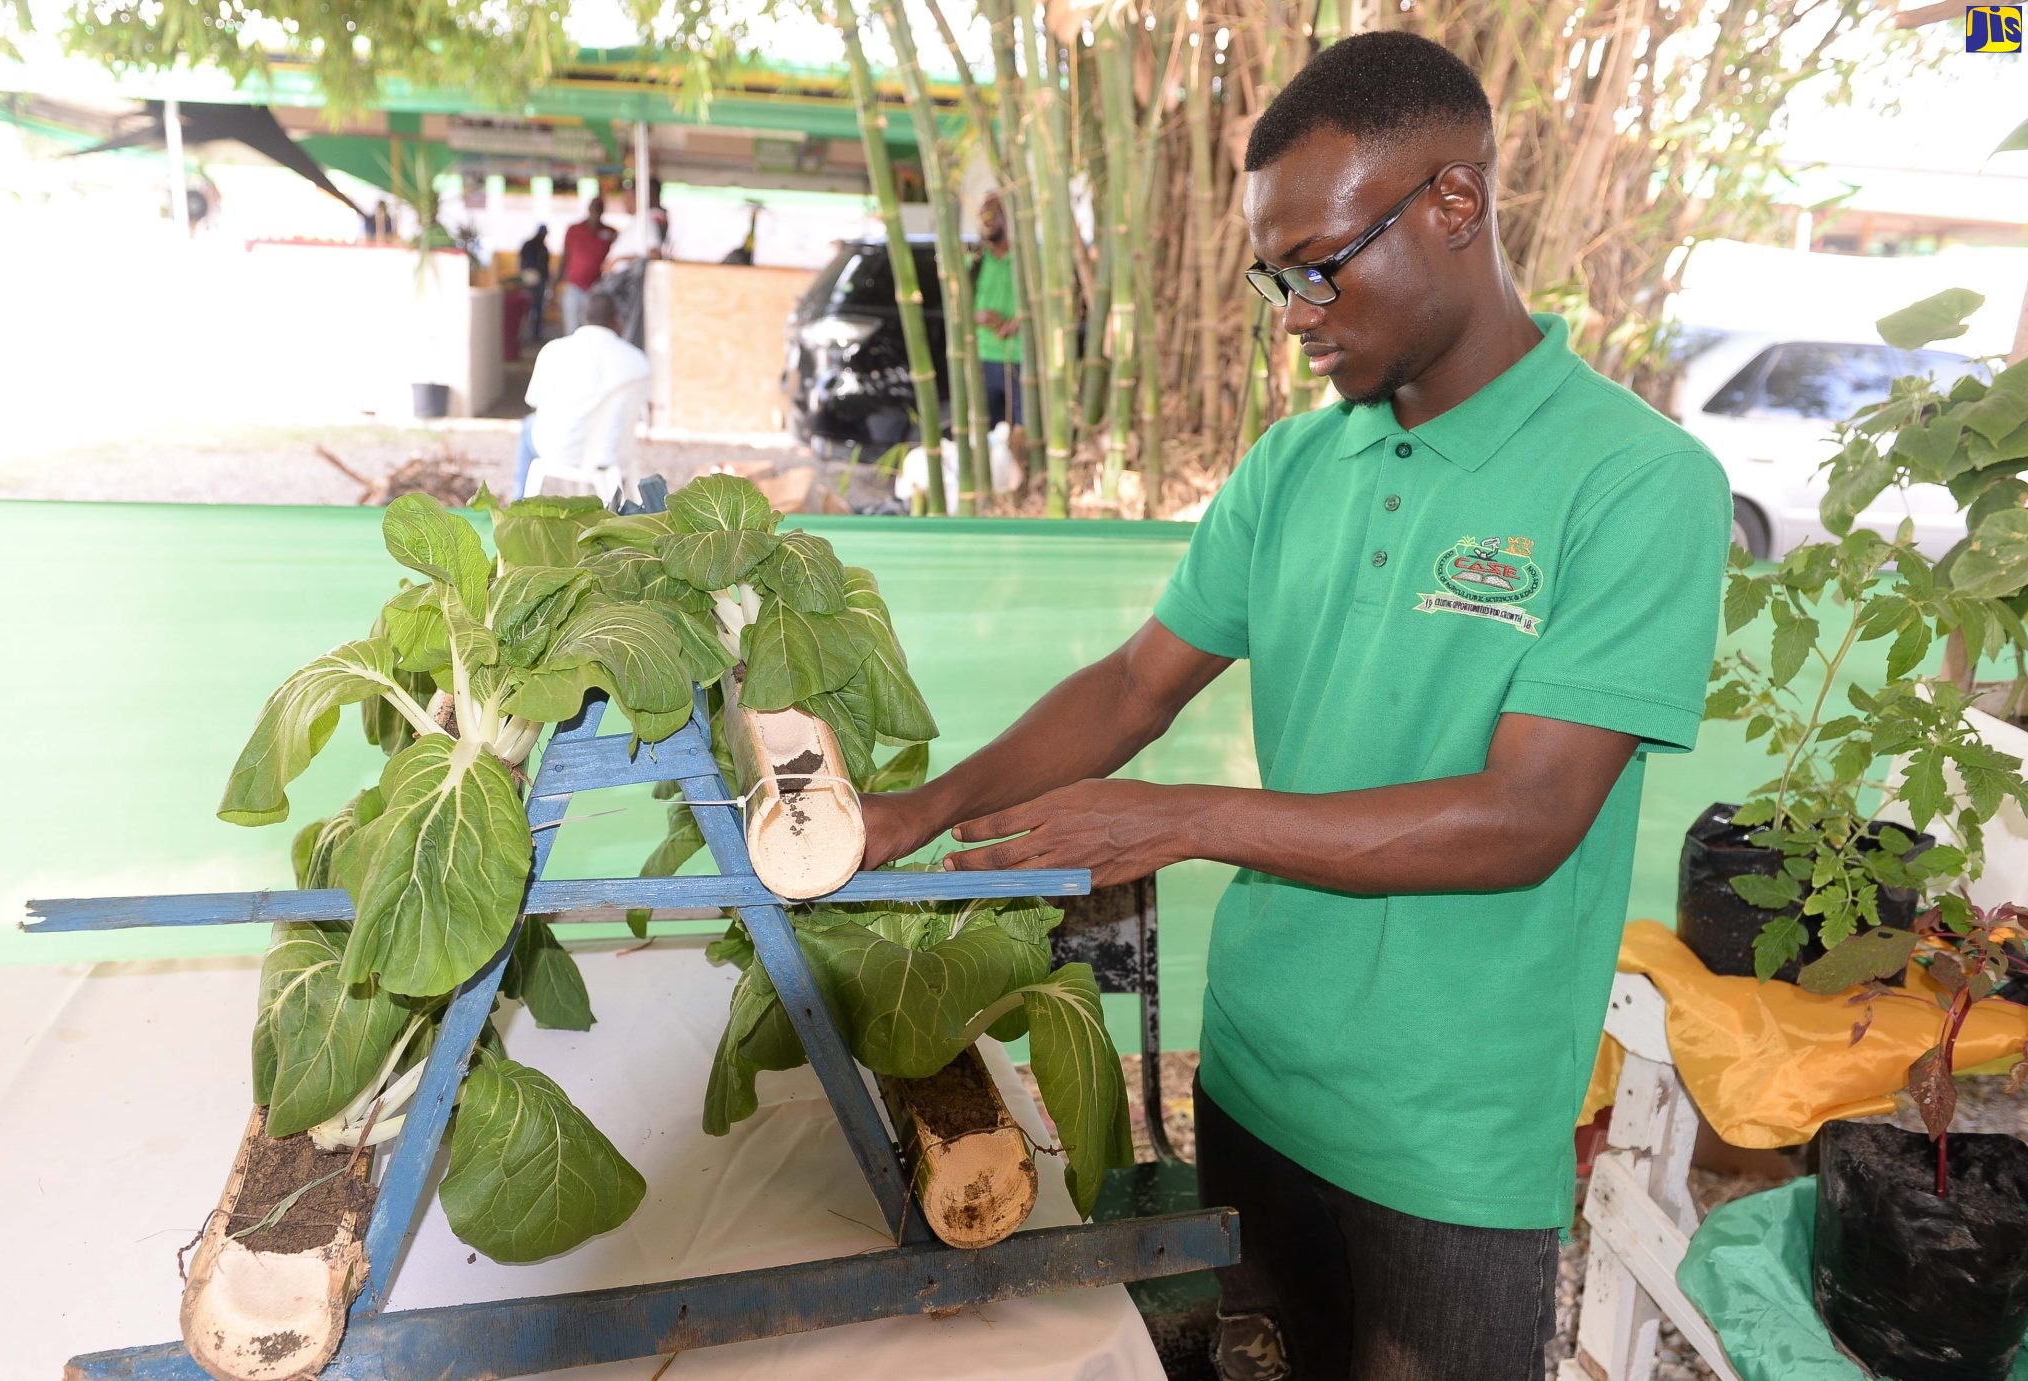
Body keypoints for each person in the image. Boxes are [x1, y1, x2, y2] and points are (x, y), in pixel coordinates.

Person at [859, 31, 1730, 1381]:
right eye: (1275, 276)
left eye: (1320, 266)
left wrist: (1188, 819)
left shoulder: (1634, 481)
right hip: (1256, 1088)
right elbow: (1139, 683)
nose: (1295, 314)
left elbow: (1527, 815)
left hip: (1447, 1147)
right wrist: (924, 809)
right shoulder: (1293, 467)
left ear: (1455, 203)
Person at [513, 291, 652, 498]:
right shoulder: (637, 360)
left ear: (584, 317)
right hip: (612, 452)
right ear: (616, 320)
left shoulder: (555, 351)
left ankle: (518, 503)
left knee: (528, 424)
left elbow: (534, 402)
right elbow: (643, 408)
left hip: (558, 448)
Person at [971, 193, 1028, 488]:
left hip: (1020, 356)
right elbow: (958, 306)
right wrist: (977, 316)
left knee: (1022, 429)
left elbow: (1042, 300)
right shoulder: (976, 260)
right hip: (983, 354)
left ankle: (1021, 487)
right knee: (987, 429)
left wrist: (1017, 321)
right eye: (984, 216)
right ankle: (989, 487)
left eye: (993, 215)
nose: (987, 222)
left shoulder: (1027, 259)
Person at [556, 196, 618, 338]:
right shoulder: (574, 230)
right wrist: (556, 280)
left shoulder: (611, 232)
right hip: (574, 287)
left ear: (603, 210)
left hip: (597, 289)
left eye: (599, 207)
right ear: (589, 209)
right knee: (571, 329)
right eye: (593, 207)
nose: (595, 211)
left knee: (593, 330)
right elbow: (564, 256)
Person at [518, 225, 552, 344]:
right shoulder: (531, 245)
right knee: (528, 307)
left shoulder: (542, 247)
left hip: (537, 281)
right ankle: (525, 335)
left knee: (535, 308)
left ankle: (534, 334)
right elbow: (522, 261)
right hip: (530, 280)